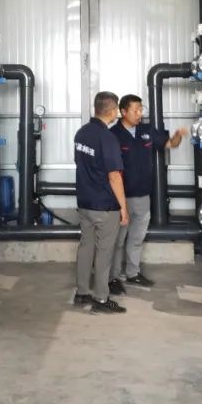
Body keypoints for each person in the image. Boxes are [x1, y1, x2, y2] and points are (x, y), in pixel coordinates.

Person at [108, 93, 188, 292]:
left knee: (136, 238)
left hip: (143, 195)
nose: (139, 114)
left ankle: (133, 274)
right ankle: (113, 278)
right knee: (118, 240)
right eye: (135, 110)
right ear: (123, 111)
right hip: (120, 198)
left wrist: (178, 135)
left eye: (141, 109)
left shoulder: (147, 130)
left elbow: (170, 144)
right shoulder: (113, 135)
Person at [72, 91, 128, 314]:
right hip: (104, 205)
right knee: (104, 253)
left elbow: (81, 164)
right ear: (112, 111)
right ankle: (101, 299)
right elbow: (114, 176)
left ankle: (81, 292)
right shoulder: (107, 138)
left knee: (85, 247)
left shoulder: (81, 133)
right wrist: (123, 208)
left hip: (84, 202)